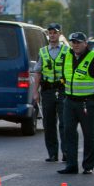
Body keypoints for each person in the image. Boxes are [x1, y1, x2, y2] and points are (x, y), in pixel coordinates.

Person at [58, 32, 94, 175]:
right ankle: (71, 165)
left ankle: (88, 166)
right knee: (69, 133)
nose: (76, 45)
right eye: (73, 42)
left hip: (86, 102)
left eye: (79, 42)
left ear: (85, 43)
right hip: (69, 101)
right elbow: (64, 75)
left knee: (88, 134)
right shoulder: (67, 55)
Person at [38, 23, 68, 162]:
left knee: (64, 123)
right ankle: (52, 154)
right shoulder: (43, 51)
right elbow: (38, 72)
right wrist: (35, 93)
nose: (52, 35)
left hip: (62, 91)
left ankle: (66, 153)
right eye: (50, 33)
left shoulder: (67, 51)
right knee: (49, 124)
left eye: (55, 32)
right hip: (48, 91)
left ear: (59, 34)